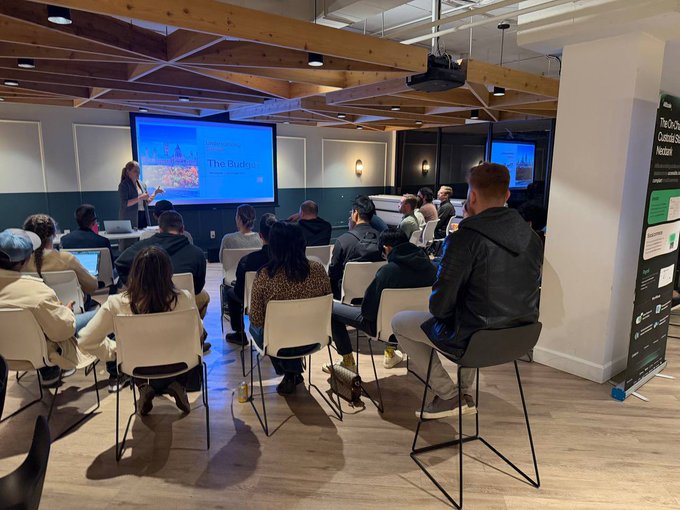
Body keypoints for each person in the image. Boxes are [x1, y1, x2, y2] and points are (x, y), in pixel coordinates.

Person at [392, 163, 543, 420]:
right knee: (471, 312)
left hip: (475, 340)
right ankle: (463, 393)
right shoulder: (533, 238)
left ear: (471, 197)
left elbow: (439, 307)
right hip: (521, 337)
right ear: (507, 195)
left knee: (400, 322)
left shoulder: (464, 239)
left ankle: (448, 394)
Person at [78, 246, 199, 415]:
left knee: (137, 352)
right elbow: (199, 334)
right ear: (168, 273)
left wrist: (114, 351)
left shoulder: (116, 304)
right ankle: (178, 384)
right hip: (179, 364)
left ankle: (143, 386)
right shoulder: (184, 298)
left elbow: (85, 340)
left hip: (137, 367)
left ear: (134, 273)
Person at [324, 228, 437, 373]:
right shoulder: (432, 269)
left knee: (331, 308)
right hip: (419, 325)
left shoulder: (387, 273)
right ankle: (390, 352)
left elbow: (368, 313)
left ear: (387, 248)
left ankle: (348, 362)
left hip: (380, 327)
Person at [0, 228, 97, 387]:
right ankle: (114, 370)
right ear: (25, 260)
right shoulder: (37, 291)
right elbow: (63, 331)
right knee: (100, 312)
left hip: (4, 358)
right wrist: (66, 312)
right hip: (39, 354)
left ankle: (49, 373)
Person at [249, 221, 331, 395]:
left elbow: (256, 318)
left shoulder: (265, 276)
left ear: (274, 246)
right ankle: (292, 372)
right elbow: (327, 303)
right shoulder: (318, 270)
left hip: (278, 342)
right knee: (293, 327)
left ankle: (289, 372)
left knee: (262, 329)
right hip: (314, 337)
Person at [115, 211, 209, 320]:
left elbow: (120, 263)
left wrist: (135, 286)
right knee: (204, 296)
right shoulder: (197, 254)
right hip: (181, 304)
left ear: (159, 229)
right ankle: (193, 324)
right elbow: (197, 288)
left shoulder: (141, 247)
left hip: (144, 303)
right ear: (182, 229)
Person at [225, 213, 276, 345]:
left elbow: (239, 291)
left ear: (260, 236)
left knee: (231, 293)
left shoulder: (247, 261)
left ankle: (239, 334)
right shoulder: (287, 261)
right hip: (283, 308)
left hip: (253, 303)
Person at [22, 214, 99, 299]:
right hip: (70, 306)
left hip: (34, 306)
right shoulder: (66, 259)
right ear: (54, 235)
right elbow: (92, 286)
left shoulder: (21, 263)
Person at [328, 195, 382, 299]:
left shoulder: (343, 241)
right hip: (374, 297)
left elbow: (333, 273)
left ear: (355, 213)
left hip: (347, 299)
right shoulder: (382, 239)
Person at [118, 161, 163, 251]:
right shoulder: (124, 185)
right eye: (135, 171)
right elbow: (125, 203)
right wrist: (140, 197)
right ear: (128, 172)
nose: (138, 173)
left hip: (143, 216)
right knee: (130, 244)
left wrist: (155, 193)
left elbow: (147, 201)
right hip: (130, 217)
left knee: (144, 243)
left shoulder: (142, 184)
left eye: (139, 171)